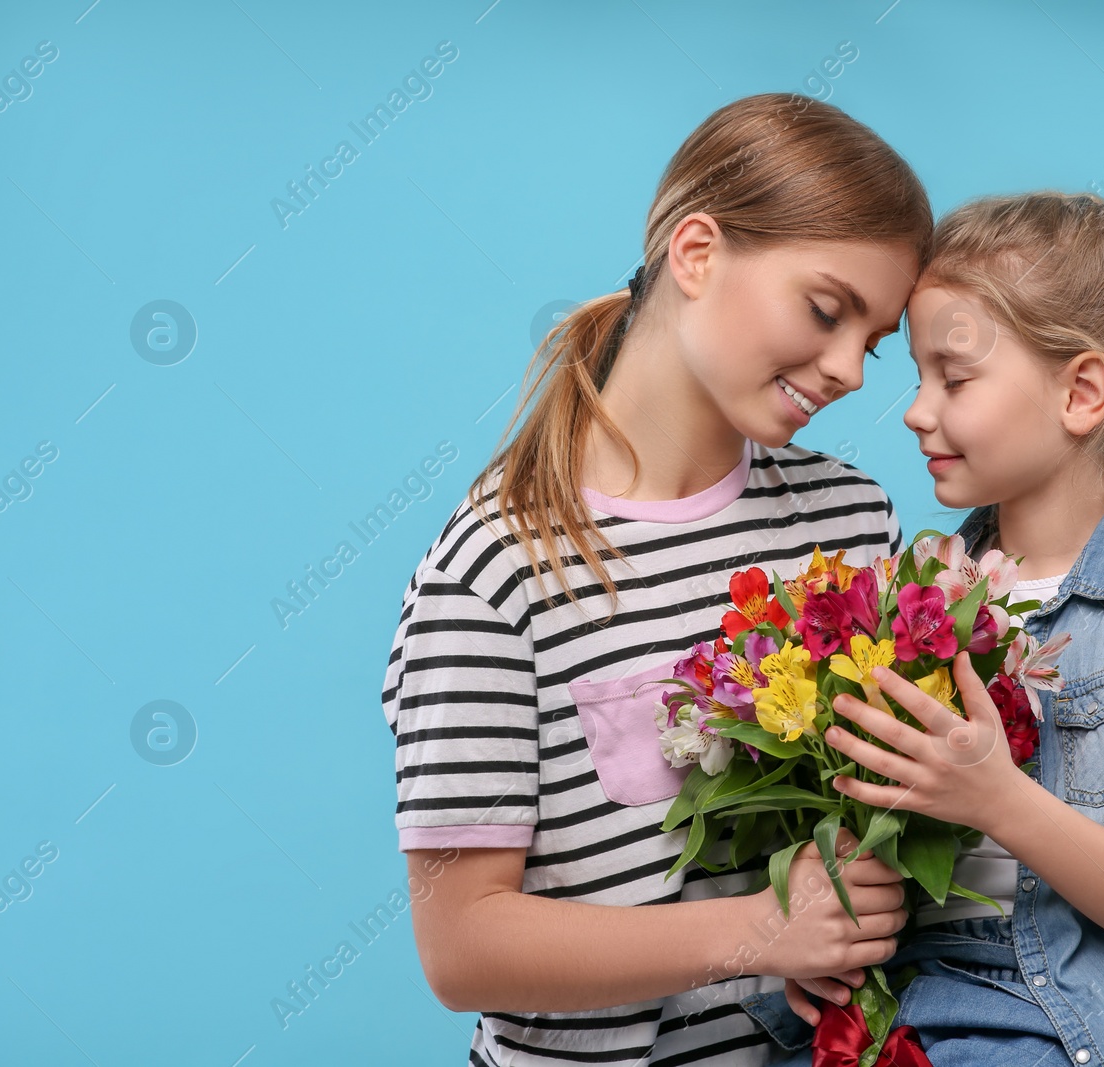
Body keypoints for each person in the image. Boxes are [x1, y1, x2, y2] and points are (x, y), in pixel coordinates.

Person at [379, 92, 934, 1065]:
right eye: (826, 309)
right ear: (696, 253)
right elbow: (462, 944)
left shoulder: (849, 526)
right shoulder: (496, 572)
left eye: (874, 339)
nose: (850, 368)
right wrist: (761, 929)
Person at [764, 190, 1104, 1065]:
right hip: (923, 1028)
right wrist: (820, 941)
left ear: (1081, 392)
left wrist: (1002, 803)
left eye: (955, 379)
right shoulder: (899, 600)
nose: (917, 411)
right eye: (919, 377)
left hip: (1086, 1036)